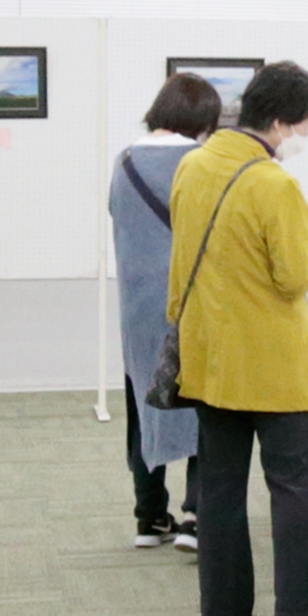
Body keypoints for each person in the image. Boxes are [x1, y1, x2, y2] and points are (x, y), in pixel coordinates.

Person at [162, 59, 308, 616]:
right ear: (281, 121)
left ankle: (224, 612)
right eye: (306, 127)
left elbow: (181, 258)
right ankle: (294, 615)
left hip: (209, 358)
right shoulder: (275, 184)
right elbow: (294, 276)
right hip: (274, 364)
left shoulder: (193, 166)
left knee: (221, 486)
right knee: (291, 485)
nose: (306, 138)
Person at [108, 68, 220, 548]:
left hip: (136, 305)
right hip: (191, 303)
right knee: (204, 404)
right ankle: (196, 515)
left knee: (142, 404)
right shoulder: (203, 161)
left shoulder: (125, 160)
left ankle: (149, 517)